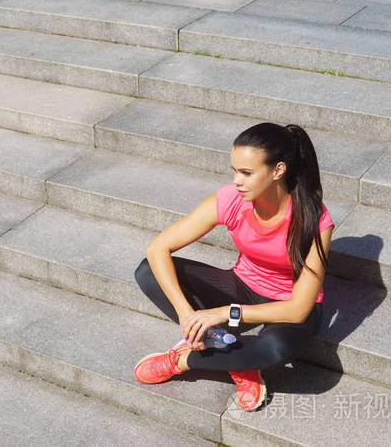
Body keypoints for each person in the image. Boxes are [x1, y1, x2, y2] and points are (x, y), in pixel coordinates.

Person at [132, 122, 334, 412]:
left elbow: (298, 309)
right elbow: (157, 248)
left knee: (273, 349)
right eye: (235, 170)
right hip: (243, 285)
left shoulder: (313, 219)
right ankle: (239, 362)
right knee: (147, 272)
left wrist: (225, 312)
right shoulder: (231, 199)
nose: (237, 180)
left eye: (247, 173)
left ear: (278, 170)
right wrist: (187, 316)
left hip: (287, 305)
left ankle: (183, 360)